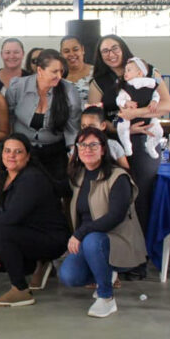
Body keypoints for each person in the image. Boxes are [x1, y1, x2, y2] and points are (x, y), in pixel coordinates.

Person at [88, 35, 170, 268]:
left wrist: (137, 115)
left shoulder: (149, 71)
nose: (110, 54)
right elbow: (97, 118)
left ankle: (141, 255)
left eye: (114, 48)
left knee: (142, 196)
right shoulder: (98, 82)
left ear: (123, 48)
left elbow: (167, 105)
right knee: (116, 199)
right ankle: (117, 256)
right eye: (104, 51)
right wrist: (122, 126)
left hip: (144, 142)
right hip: (114, 142)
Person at [58, 127, 146, 318]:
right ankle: (105, 272)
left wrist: (79, 234)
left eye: (93, 145)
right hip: (92, 241)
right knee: (69, 276)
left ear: (104, 149)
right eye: (82, 145)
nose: (87, 149)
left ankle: (106, 297)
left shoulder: (118, 177)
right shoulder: (78, 176)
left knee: (92, 240)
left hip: (118, 240)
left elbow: (115, 216)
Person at [0, 134, 69, 307]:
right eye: (7, 151)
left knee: (2, 232)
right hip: (27, 233)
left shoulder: (32, 178)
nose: (11, 156)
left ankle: (20, 290)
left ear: (28, 157)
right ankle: (36, 264)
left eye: (18, 152)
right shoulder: (2, 177)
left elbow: (14, 215)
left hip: (51, 238)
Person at [5, 49, 81, 186]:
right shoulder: (18, 87)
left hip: (54, 151)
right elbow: (8, 117)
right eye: (54, 71)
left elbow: (72, 129)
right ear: (40, 70)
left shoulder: (69, 91)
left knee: (56, 189)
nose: (59, 76)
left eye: (61, 72)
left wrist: (73, 155)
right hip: (23, 150)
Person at [116, 57, 163, 159]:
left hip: (147, 117)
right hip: (129, 118)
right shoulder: (126, 87)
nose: (125, 73)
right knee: (122, 127)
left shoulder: (150, 85)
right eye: (125, 70)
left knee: (159, 131)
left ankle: (150, 145)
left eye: (129, 70)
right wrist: (126, 102)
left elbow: (156, 95)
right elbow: (118, 100)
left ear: (140, 73)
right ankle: (127, 144)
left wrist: (154, 101)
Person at [80, 106, 130, 170]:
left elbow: (125, 170)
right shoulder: (78, 146)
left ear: (103, 125)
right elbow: (71, 171)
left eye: (92, 126)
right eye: (84, 126)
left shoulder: (113, 145)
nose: (87, 130)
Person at [61, 35, 93, 106]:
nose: (71, 54)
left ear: (82, 50)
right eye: (66, 51)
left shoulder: (96, 72)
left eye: (75, 50)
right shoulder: (57, 76)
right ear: (61, 54)